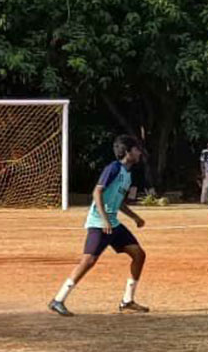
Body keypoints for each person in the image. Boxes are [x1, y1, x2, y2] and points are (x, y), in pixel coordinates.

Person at [49, 135, 149, 316]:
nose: (139, 152)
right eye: (136, 149)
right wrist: (103, 220)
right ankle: (58, 299)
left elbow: (118, 202)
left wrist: (135, 217)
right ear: (127, 152)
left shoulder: (128, 174)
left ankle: (127, 301)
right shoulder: (113, 168)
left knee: (139, 254)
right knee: (88, 261)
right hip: (98, 223)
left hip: (113, 224)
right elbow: (97, 192)